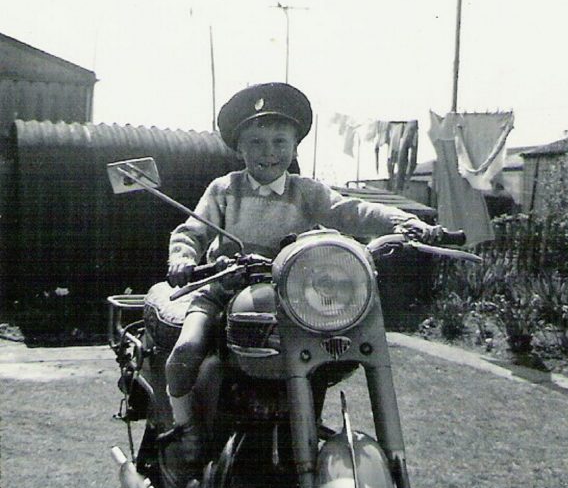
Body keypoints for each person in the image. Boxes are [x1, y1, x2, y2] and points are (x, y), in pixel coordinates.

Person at [164, 82, 442, 465]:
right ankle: (187, 430)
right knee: (187, 349)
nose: (269, 153)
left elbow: (354, 211)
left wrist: (404, 221)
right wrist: (182, 258)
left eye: (279, 142)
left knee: (328, 353)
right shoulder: (223, 190)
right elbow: (191, 231)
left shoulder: (307, 192)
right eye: (256, 143)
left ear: (295, 147)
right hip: (223, 289)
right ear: (240, 147)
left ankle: (303, 431)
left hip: (291, 300)